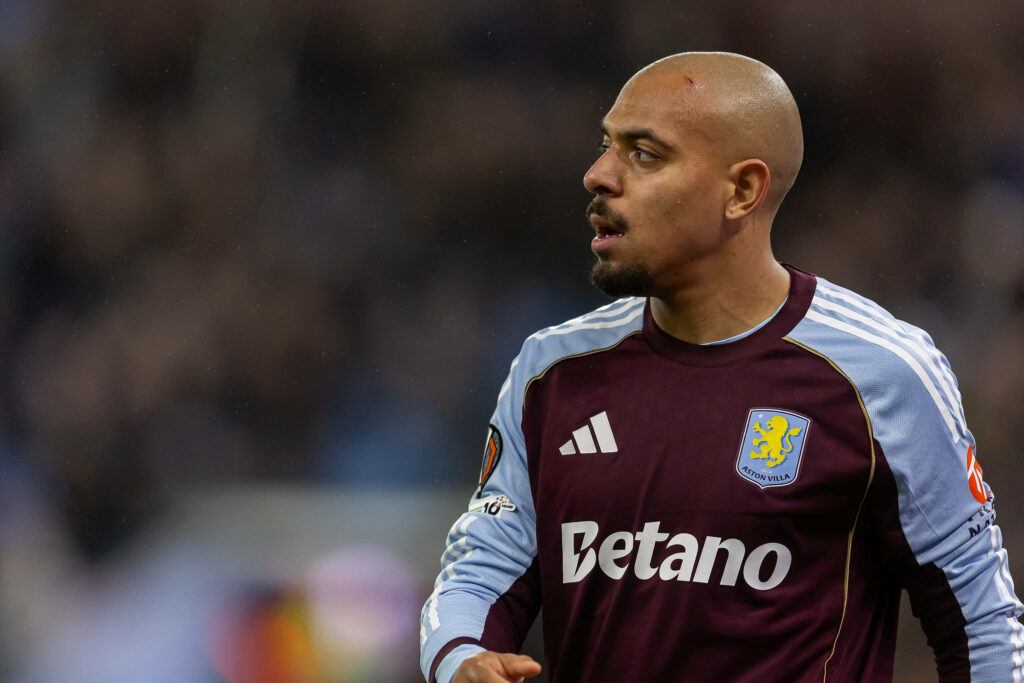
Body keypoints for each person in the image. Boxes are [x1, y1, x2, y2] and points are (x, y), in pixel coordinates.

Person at [419, 52, 1024, 682]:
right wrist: (459, 657)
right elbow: (480, 570)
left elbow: (980, 623)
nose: (598, 175)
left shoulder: (881, 373)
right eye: (606, 146)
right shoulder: (552, 371)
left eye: (643, 154)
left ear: (742, 191)